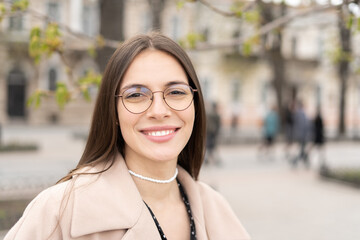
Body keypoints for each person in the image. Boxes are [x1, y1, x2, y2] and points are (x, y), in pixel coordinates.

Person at [5, 33, 250, 240]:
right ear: (112, 111)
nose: (159, 111)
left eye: (176, 91)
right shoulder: (59, 210)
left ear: (195, 104)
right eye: (136, 95)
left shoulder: (216, 210)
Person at [291, 100, 310, 168]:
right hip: (302, 135)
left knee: (302, 149)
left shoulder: (297, 113)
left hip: (299, 134)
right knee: (302, 149)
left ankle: (299, 160)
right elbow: (304, 125)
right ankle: (299, 160)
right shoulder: (301, 114)